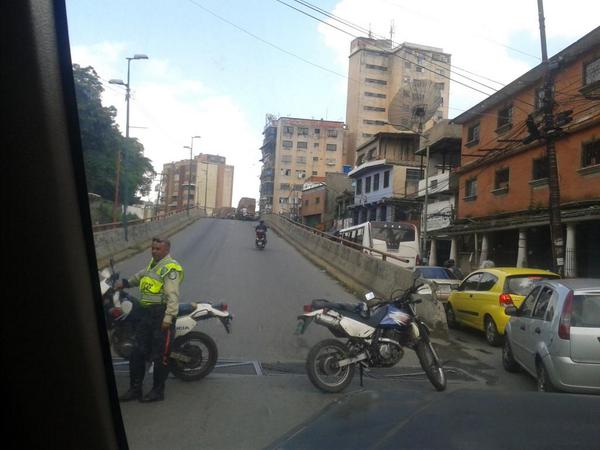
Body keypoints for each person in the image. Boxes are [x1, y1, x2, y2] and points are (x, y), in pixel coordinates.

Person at [116, 236, 184, 403]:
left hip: (162, 316)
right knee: (137, 352)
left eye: (157, 249)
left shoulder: (170, 268)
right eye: (152, 248)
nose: (153, 251)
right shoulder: (153, 264)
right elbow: (139, 277)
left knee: (160, 356)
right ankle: (135, 389)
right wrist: (124, 283)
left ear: (166, 250)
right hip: (147, 314)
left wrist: (168, 318)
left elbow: (172, 295)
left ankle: (157, 391)